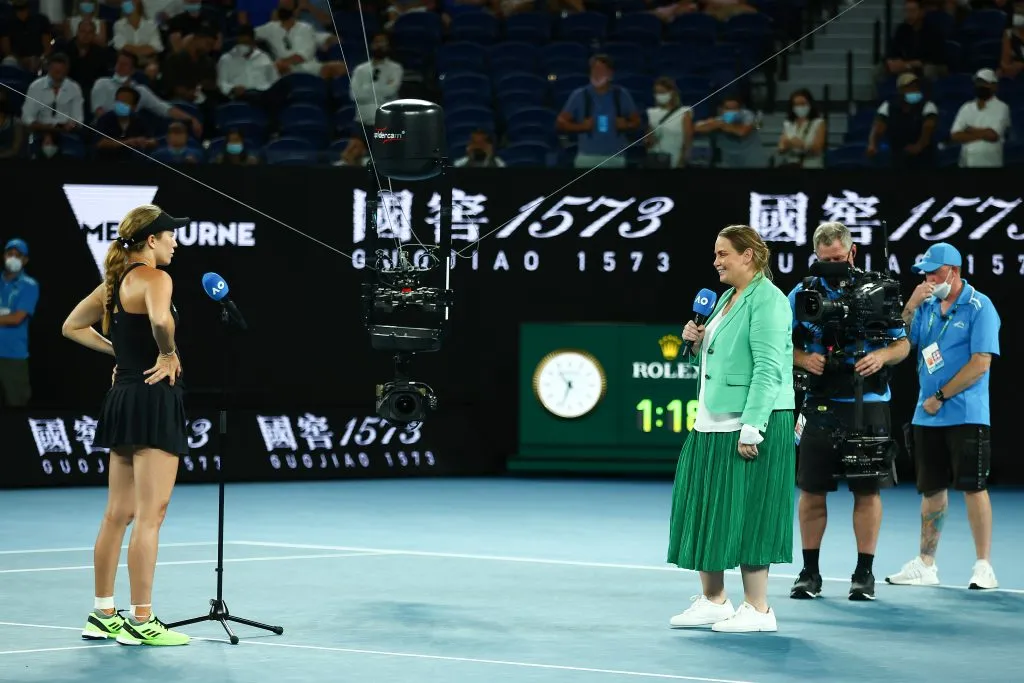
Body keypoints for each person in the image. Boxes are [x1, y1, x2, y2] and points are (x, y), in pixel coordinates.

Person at [61, 205, 192, 647]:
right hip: (154, 399)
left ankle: (103, 614)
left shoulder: (114, 284)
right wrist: (167, 353)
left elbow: (71, 327)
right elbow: (159, 321)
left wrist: (121, 355)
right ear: (151, 240)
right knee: (151, 516)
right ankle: (142, 620)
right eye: (170, 236)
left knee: (117, 514)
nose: (175, 243)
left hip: (122, 398)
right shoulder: (156, 279)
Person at [667, 224, 796, 634]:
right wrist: (696, 343)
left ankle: (758, 609)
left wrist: (753, 425)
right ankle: (714, 600)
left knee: (751, 512)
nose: (716, 261)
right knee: (708, 508)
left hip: (751, 421)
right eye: (715, 253)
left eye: (723, 253)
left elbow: (769, 368)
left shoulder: (769, 301)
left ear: (748, 256)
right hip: (712, 419)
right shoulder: (725, 298)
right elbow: (719, 362)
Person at [788, 222, 910, 602]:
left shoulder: (880, 289)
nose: (833, 266)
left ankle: (864, 573)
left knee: (867, 491)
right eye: (825, 261)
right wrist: (803, 358)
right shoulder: (802, 294)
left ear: (852, 253)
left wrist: (881, 356)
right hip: (818, 405)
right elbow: (776, 342)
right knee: (811, 491)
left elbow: (903, 344)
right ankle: (809, 573)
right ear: (815, 256)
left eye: (838, 259)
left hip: (868, 405)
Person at [884, 242, 1000, 590]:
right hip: (927, 416)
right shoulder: (927, 307)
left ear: (954, 271)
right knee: (931, 490)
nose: (929, 279)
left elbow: (980, 363)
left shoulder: (980, 307)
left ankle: (984, 566)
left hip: (966, 414)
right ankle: (926, 564)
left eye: (934, 273)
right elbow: (903, 344)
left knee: (973, 488)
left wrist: (940, 396)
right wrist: (910, 305)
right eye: (925, 273)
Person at [0, 238, 40, 408]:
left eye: (18, 255)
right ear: (4, 256)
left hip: (13, 354)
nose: (13, 258)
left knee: (16, 404)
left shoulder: (29, 285)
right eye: (10, 254)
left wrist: (9, 317)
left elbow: (17, 318)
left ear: (25, 260)